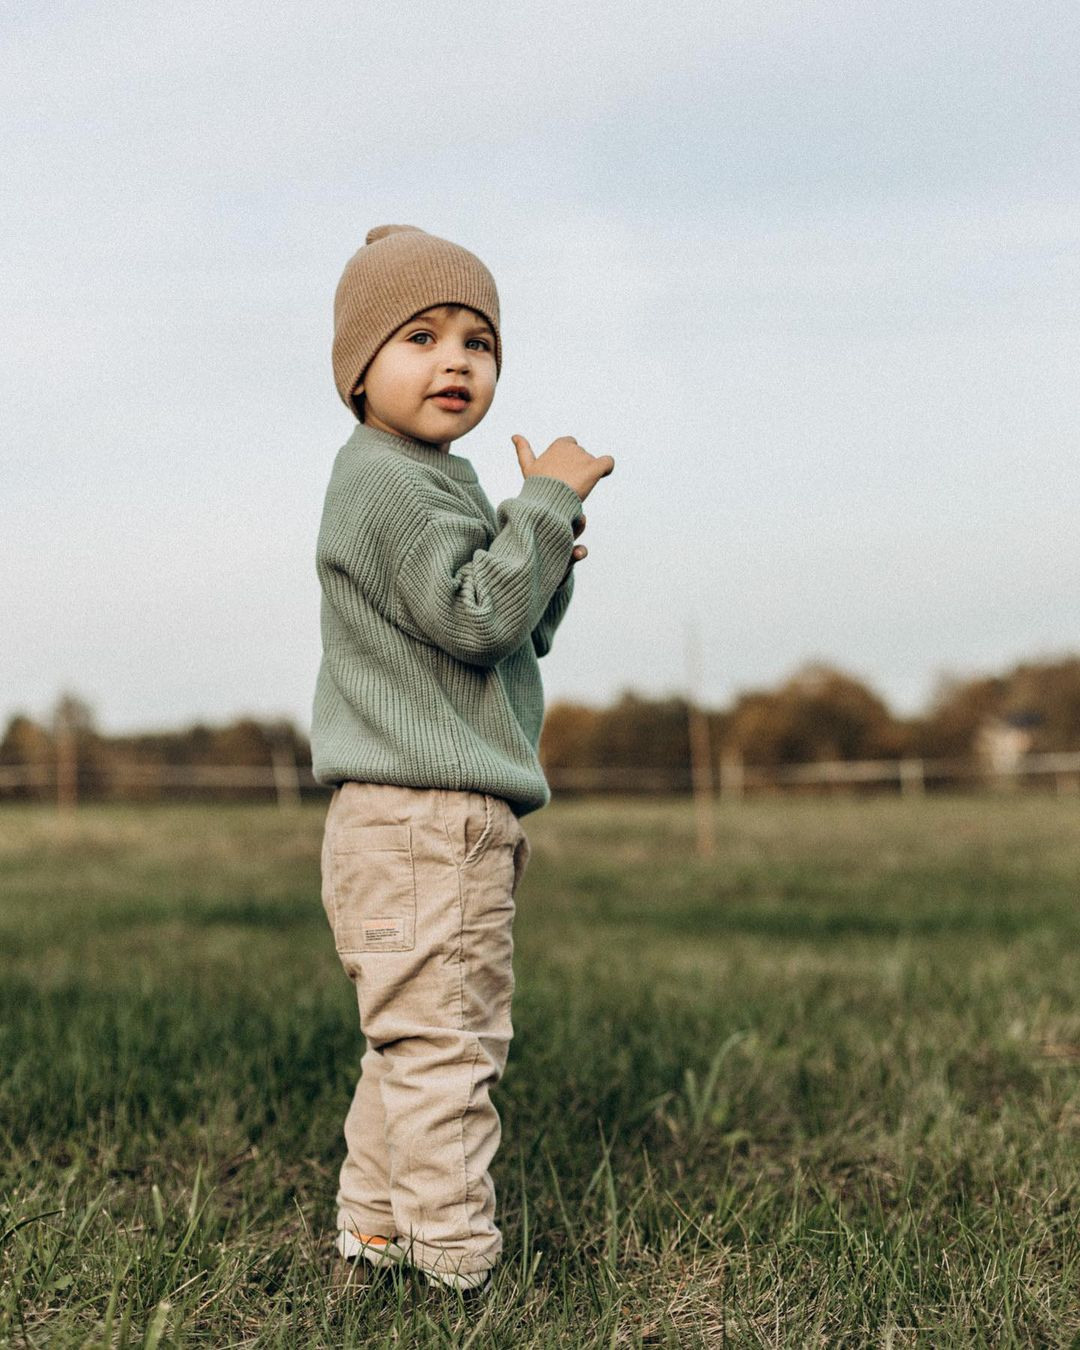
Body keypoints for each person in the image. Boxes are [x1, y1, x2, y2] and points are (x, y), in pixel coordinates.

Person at [311, 224, 615, 1293]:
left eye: (480, 341)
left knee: (412, 1040)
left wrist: (545, 545)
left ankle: (379, 1235)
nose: (456, 360)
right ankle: (455, 1268)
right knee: (449, 1049)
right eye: (421, 335)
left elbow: (515, 630)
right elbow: (481, 618)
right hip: (426, 821)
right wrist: (543, 507)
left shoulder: (432, 483)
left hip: (415, 820)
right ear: (359, 369)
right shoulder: (392, 484)